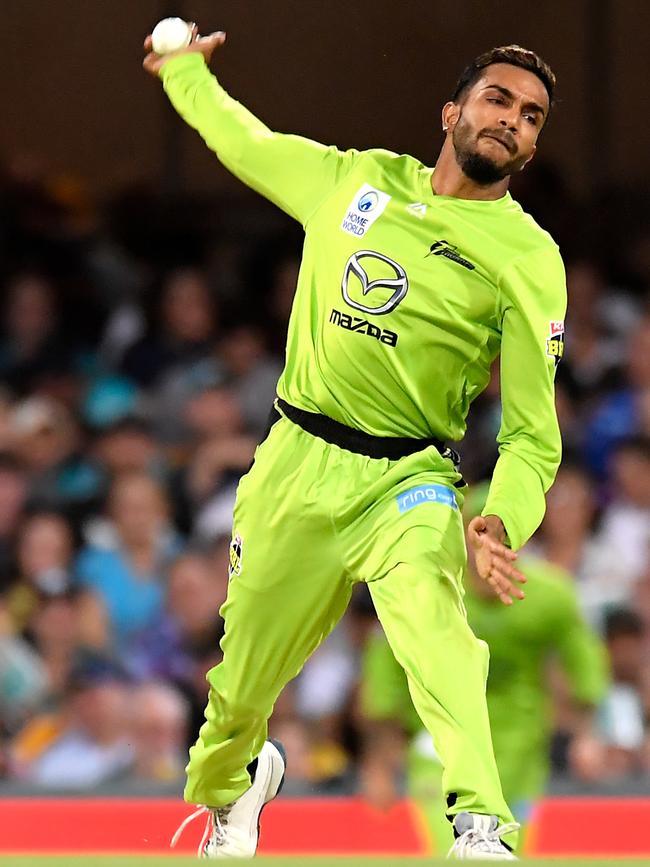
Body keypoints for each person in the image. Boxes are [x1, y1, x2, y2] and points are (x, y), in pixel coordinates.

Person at [144, 30, 565, 861]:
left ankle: (482, 824)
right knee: (239, 690)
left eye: (531, 115)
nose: (511, 120)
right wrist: (185, 71)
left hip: (408, 476)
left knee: (429, 617)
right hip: (296, 462)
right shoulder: (355, 180)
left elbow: (531, 431)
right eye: (497, 99)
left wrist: (503, 517)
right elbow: (245, 140)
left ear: (533, 144)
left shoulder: (528, 257)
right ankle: (235, 785)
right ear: (451, 113)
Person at [360, 485, 608, 855]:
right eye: (478, 534)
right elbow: (388, 672)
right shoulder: (427, 592)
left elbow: (585, 664)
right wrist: (379, 761)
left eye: (500, 536)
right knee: (453, 849)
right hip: (438, 743)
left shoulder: (551, 596)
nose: (490, 547)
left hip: (519, 748)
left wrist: (589, 735)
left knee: (507, 851)